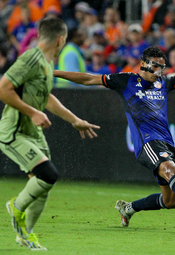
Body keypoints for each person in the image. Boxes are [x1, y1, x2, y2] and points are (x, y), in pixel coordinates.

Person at [53, 46, 175, 227]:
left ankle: (128, 208)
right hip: (146, 141)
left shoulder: (163, 83)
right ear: (143, 64)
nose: (159, 71)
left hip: (167, 143)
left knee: (172, 202)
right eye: (155, 66)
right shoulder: (125, 81)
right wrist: (54, 72)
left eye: (161, 67)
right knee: (171, 171)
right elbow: (87, 79)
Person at [0, 17, 100, 250]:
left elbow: (47, 97)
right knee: (48, 174)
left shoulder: (46, 62)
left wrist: (75, 120)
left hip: (32, 132)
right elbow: (3, 89)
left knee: (43, 184)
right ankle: (16, 206)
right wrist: (32, 112)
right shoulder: (30, 59)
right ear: (60, 39)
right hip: (13, 131)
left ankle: (26, 234)